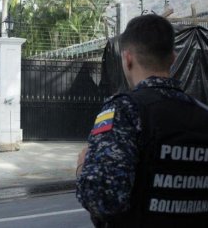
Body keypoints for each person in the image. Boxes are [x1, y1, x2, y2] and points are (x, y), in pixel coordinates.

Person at [76, 14, 208, 228]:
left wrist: (82, 165)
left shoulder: (123, 111)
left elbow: (102, 199)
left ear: (127, 58)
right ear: (173, 58)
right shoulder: (203, 114)